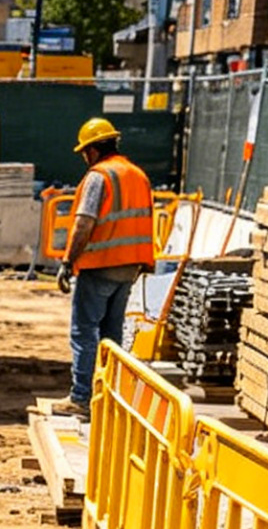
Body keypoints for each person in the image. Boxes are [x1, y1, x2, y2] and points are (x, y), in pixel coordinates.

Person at [54, 118, 156, 418]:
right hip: (131, 265)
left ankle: (82, 397)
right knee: (112, 335)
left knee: (84, 331)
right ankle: (110, 397)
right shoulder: (138, 174)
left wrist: (67, 262)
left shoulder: (100, 176)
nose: (84, 158)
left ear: (94, 150)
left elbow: (85, 223)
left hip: (101, 265)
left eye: (85, 152)